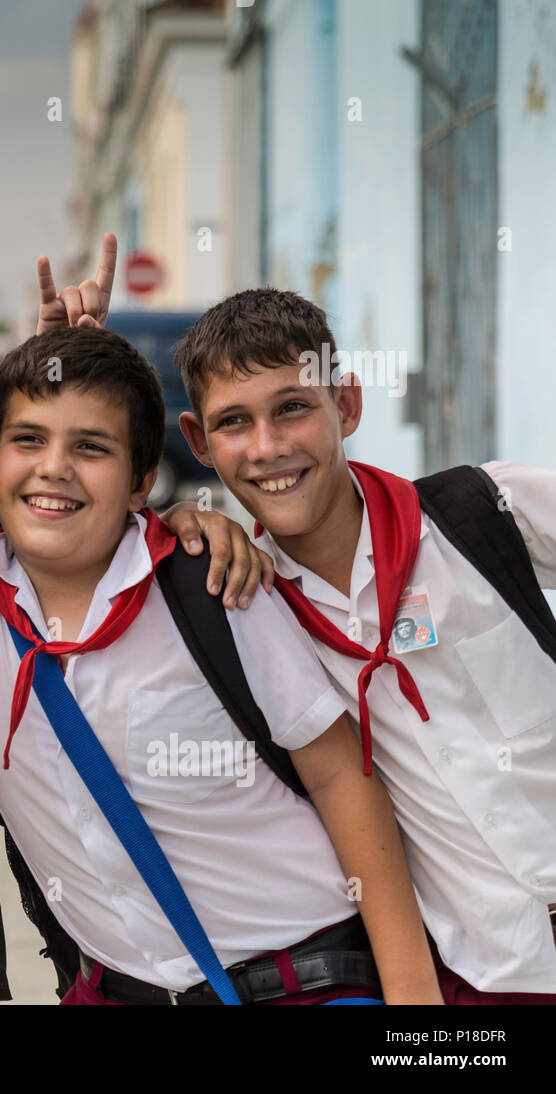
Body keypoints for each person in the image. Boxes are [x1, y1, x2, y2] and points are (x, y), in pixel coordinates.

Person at [0, 319, 441, 1004]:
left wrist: (414, 1003)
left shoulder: (213, 588)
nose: (54, 468)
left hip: (299, 979)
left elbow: (341, 777)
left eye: (92, 447)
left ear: (141, 484)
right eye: (28, 440)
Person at [151, 285, 556, 1004]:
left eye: (293, 408)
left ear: (346, 405)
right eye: (234, 423)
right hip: (489, 978)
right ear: (199, 442)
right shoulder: (250, 615)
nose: (269, 447)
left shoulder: (485, 510)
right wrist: (176, 509)